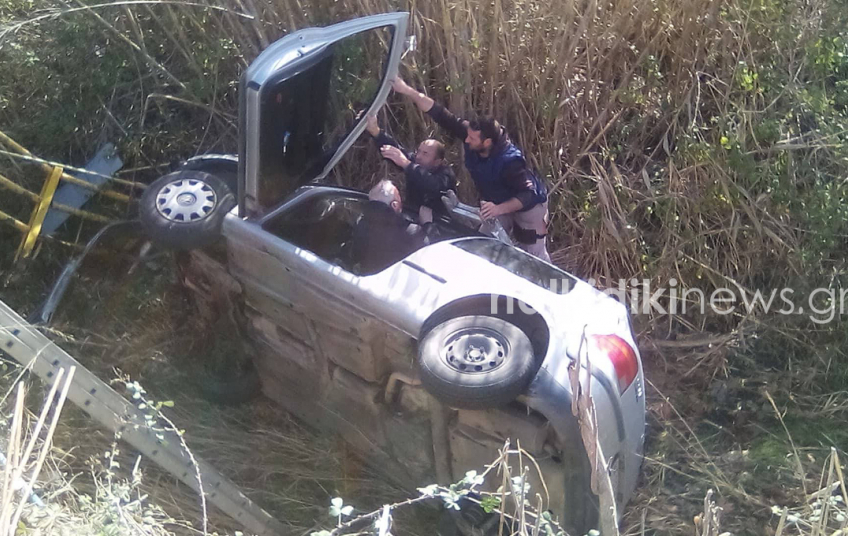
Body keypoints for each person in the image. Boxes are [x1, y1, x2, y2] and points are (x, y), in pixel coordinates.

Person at [390, 77, 551, 262]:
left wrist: (499, 208)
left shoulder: (510, 161)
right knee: (483, 244)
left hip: (527, 207)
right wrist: (407, 90)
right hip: (497, 203)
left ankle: (553, 286)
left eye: (472, 140)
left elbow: (527, 195)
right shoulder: (470, 133)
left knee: (534, 256)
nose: (466, 141)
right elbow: (440, 114)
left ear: (487, 142)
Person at [365, 114, 456, 223]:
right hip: (412, 218)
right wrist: (376, 132)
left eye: (425, 154)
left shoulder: (446, 175)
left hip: (439, 226)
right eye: (419, 151)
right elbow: (396, 150)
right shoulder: (414, 162)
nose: (418, 157)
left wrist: (406, 164)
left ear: (437, 162)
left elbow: (432, 184)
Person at [349, 180, 434, 275]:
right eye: (399, 199)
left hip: (365, 278)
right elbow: (428, 253)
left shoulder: (360, 223)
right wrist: (427, 225)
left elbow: (356, 255)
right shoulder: (411, 232)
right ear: (395, 205)